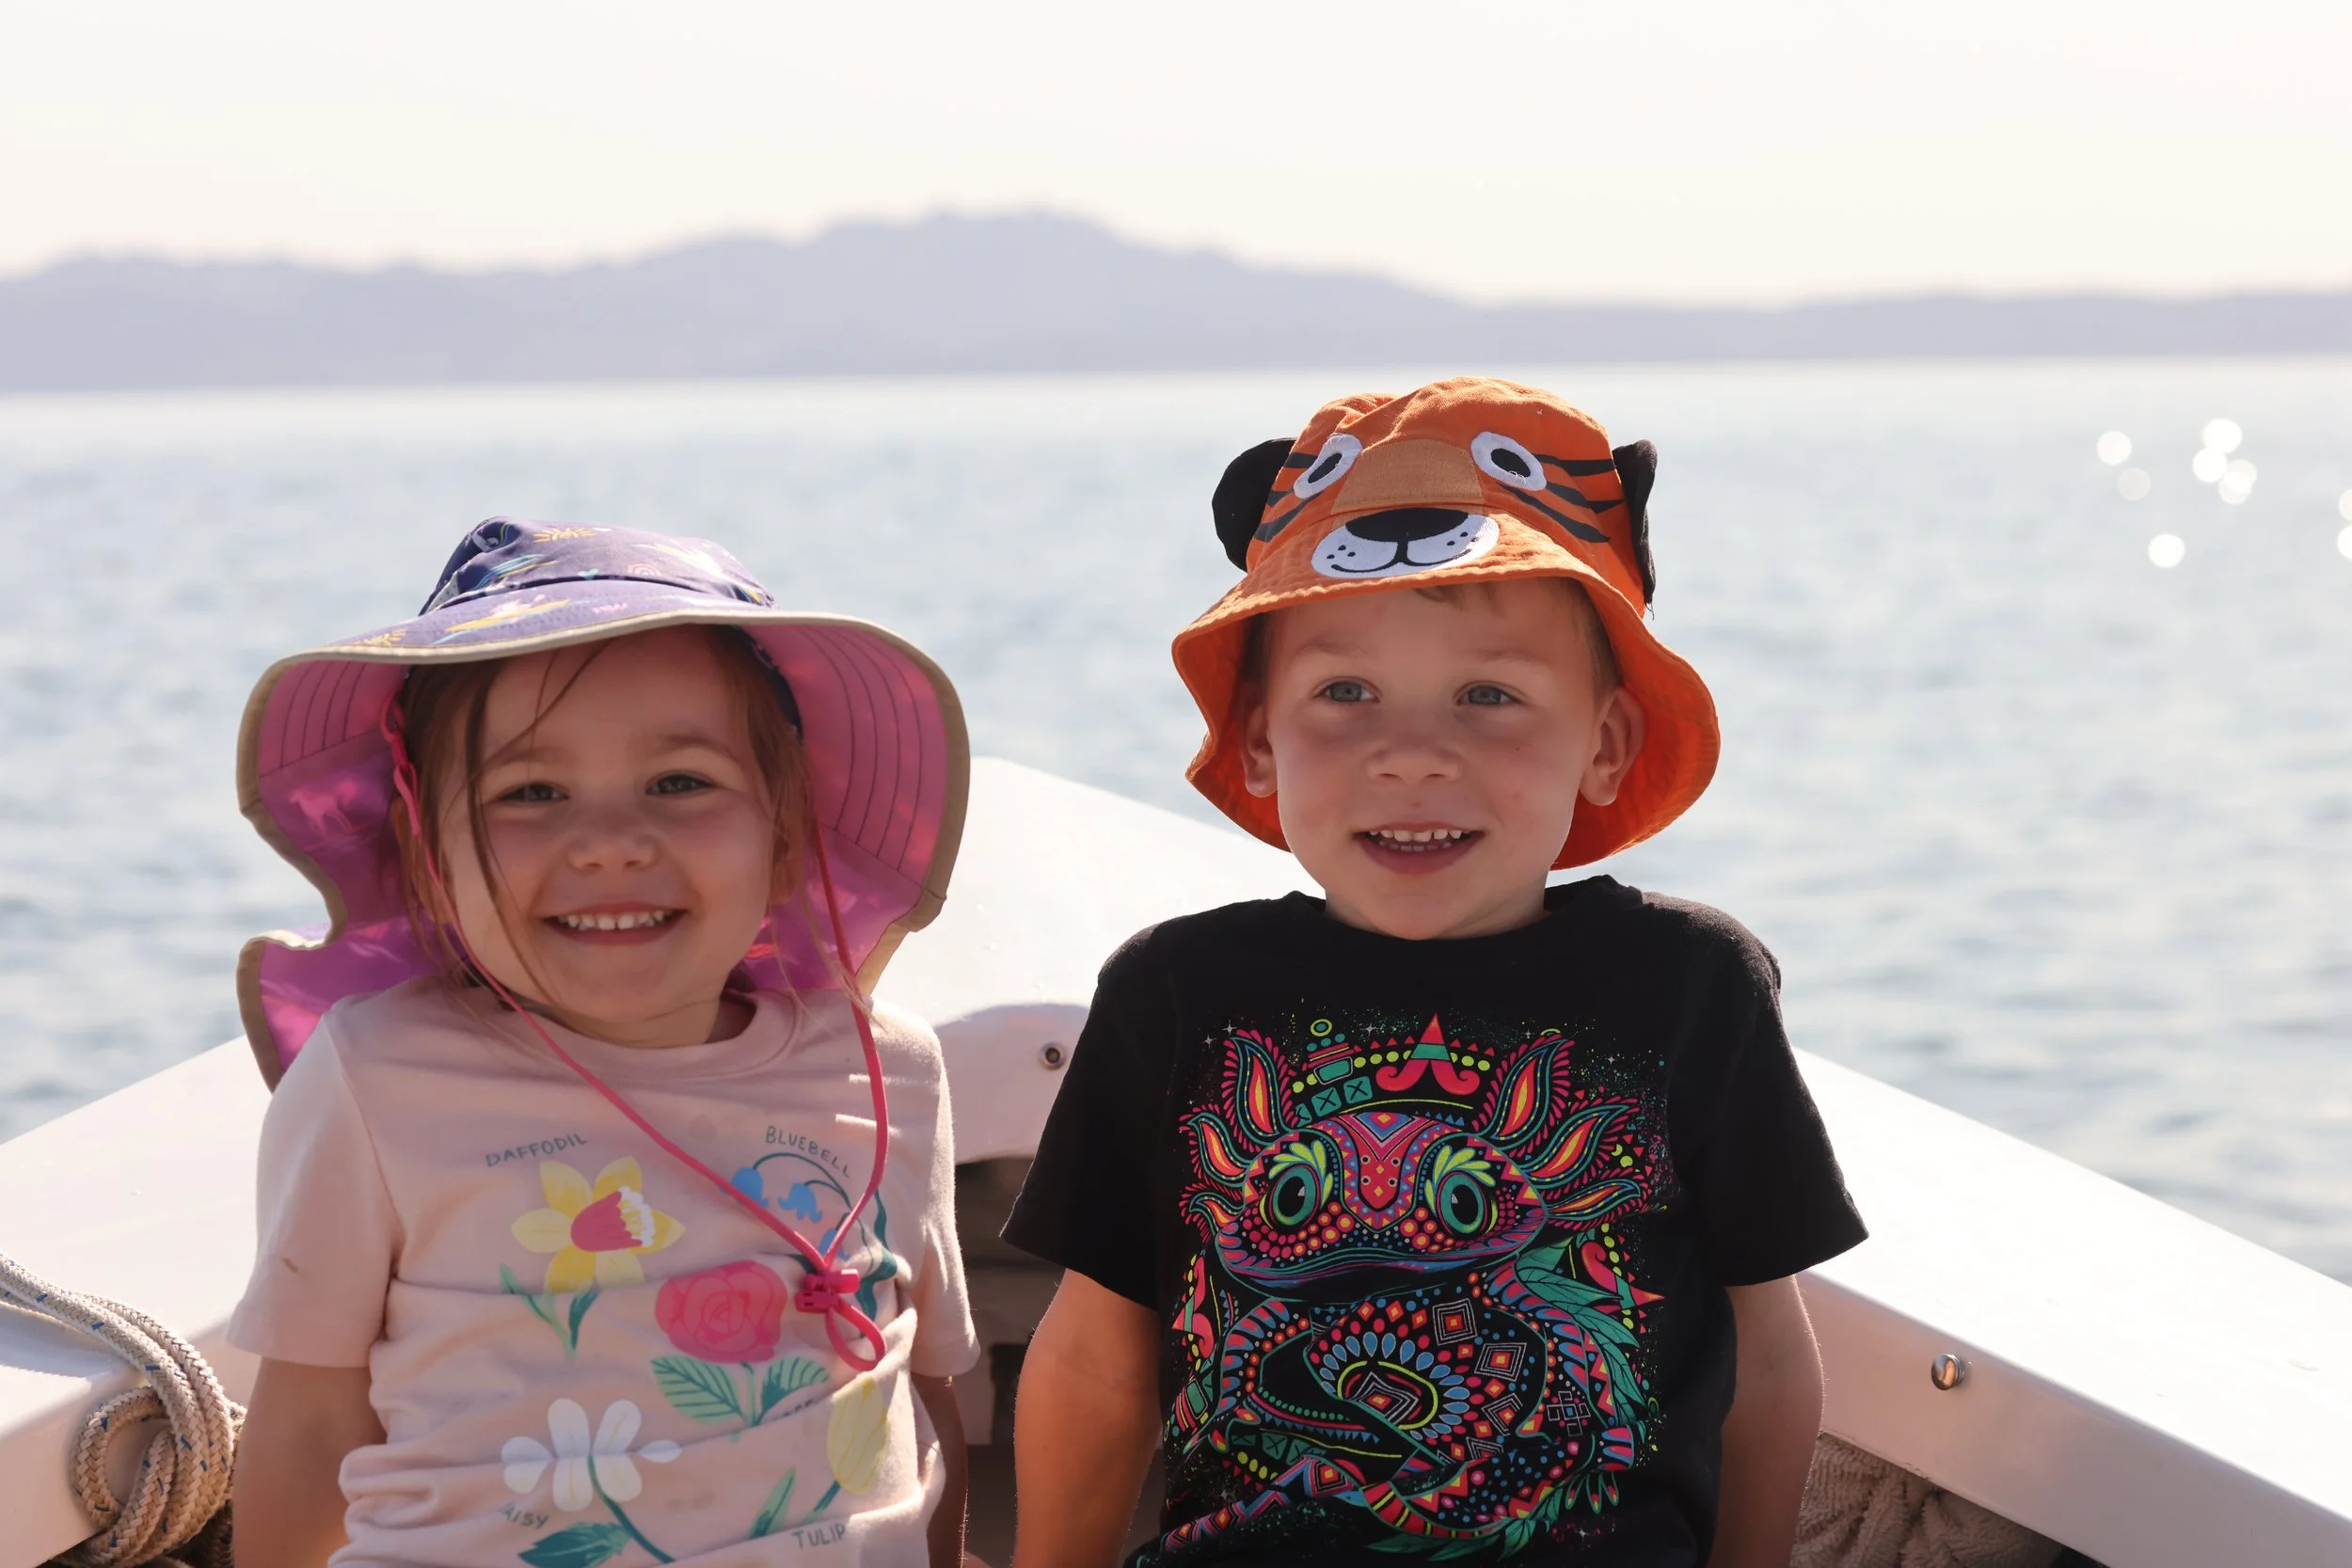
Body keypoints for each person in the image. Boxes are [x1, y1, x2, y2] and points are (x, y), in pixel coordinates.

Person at [1004, 378, 1867, 1568]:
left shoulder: (1692, 988)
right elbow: (1097, 1356)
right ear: (1259, 735)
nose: (1410, 755)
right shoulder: (1175, 990)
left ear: (1604, 743)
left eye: (1489, 695)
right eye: (1342, 693)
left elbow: (1766, 1355)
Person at [227, 519, 980, 1567]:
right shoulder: (375, 1079)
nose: (612, 840)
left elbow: (919, 1388)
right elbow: (308, 1427)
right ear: (424, 851)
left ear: (783, 834)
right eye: (529, 792)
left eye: (681, 781)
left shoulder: (886, 1066)